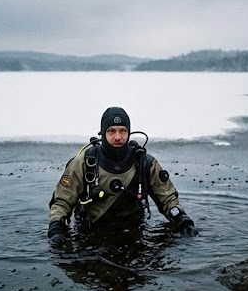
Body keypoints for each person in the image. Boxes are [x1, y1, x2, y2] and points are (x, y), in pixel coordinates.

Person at [48, 106, 198, 247]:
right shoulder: (85, 162)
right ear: (103, 133)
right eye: (111, 131)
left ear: (129, 132)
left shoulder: (144, 163)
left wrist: (182, 220)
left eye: (123, 131)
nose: (118, 137)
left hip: (134, 233)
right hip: (92, 235)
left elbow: (167, 198)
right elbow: (62, 201)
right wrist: (56, 229)